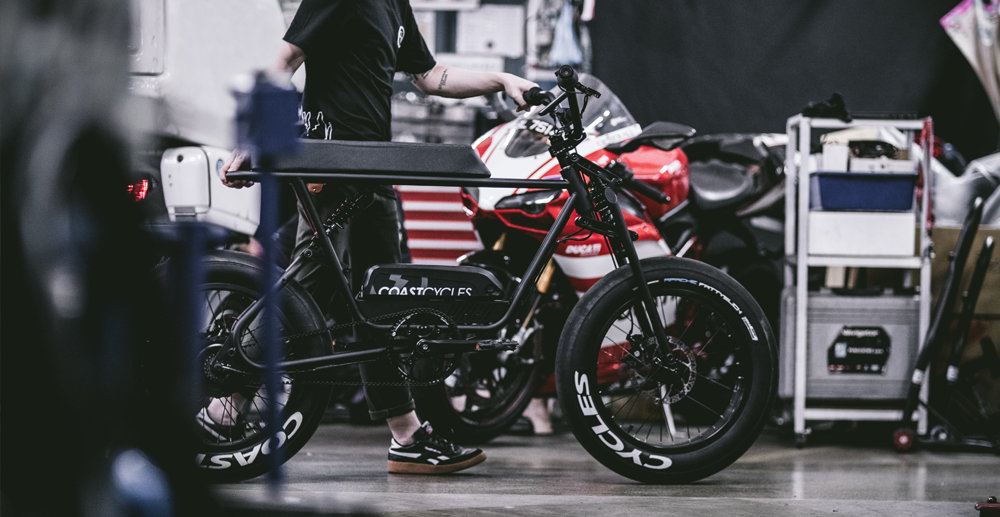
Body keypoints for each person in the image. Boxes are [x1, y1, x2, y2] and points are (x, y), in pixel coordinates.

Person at [205, 0, 539, 475]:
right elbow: (285, 61)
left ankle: (406, 435)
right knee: (310, 285)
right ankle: (225, 405)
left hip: (373, 168)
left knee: (381, 300)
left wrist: (502, 80)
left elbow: (431, 76)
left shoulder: (394, 5)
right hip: (334, 166)